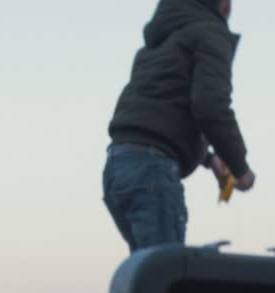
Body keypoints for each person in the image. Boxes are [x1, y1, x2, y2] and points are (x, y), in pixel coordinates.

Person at [104, 0, 256, 253]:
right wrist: (241, 171)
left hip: (118, 167)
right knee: (163, 278)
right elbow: (211, 108)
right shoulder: (211, 32)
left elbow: (158, 112)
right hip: (151, 172)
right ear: (224, 5)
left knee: (150, 276)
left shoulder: (160, 40)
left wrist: (208, 159)